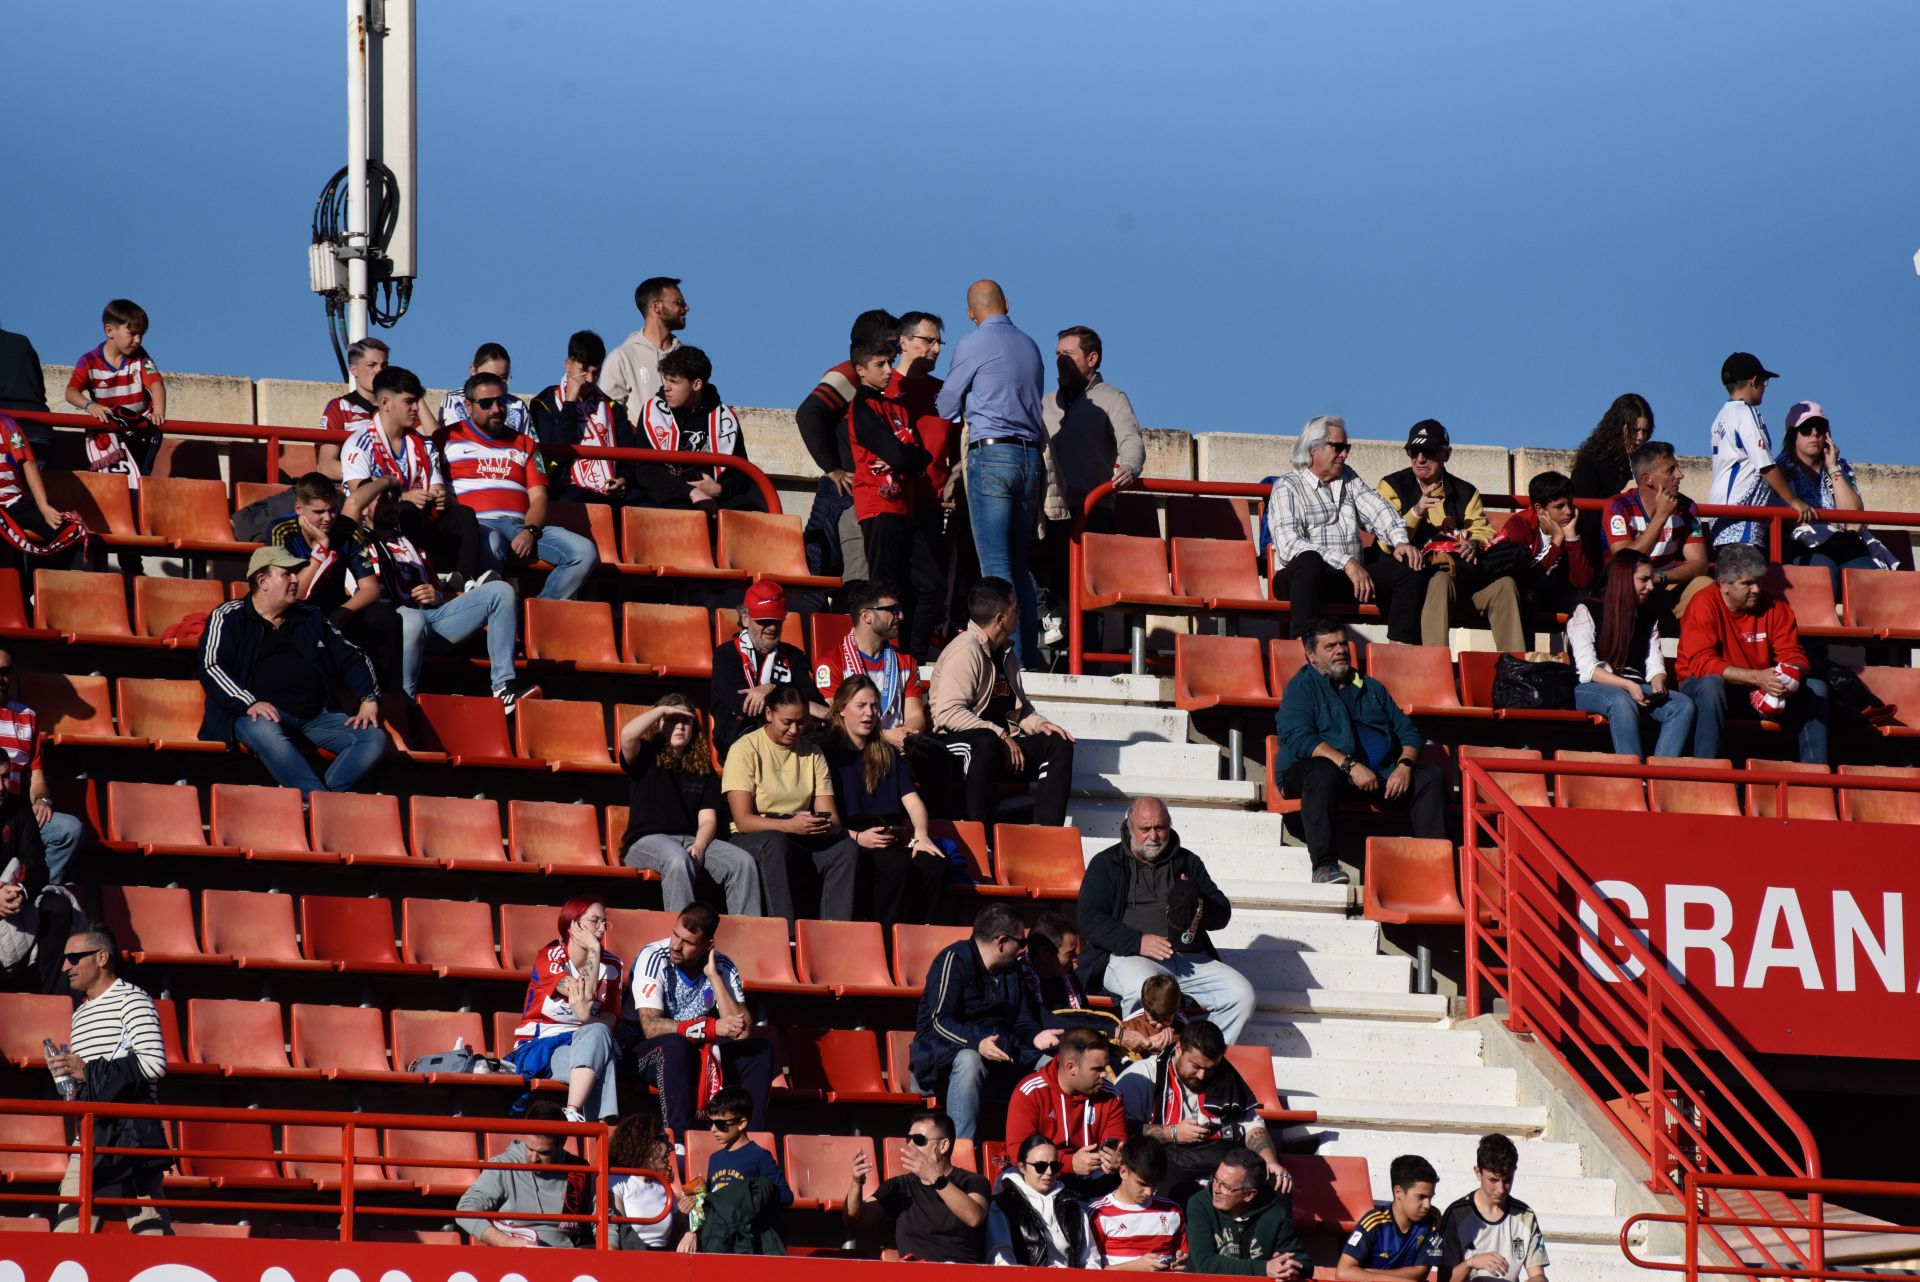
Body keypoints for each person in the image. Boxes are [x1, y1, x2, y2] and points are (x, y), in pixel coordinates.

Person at [198, 546, 384, 797]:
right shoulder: (229, 616)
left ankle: (316, 802)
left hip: (315, 716)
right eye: (287, 574)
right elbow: (212, 666)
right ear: (262, 581)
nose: (296, 579)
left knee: (372, 738)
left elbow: (352, 656)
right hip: (252, 715)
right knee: (264, 729)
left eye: (296, 573)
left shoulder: (311, 616)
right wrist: (248, 703)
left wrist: (368, 698)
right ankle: (318, 802)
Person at [1273, 618, 1448, 885]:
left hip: (1376, 776)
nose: (1341, 650)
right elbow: (1300, 739)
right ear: (1311, 654)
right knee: (1322, 771)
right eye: (1330, 646)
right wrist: (1350, 766)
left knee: (1429, 777)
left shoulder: (1369, 686)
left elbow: (1408, 732)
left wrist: (1404, 766)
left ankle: (1434, 869)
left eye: (1343, 643)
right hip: (1315, 774)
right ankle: (1324, 866)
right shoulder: (1301, 687)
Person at [1076, 796, 1256, 1040]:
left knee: (1241, 995)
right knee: (1146, 989)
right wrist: (1137, 941)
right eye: (1145, 829)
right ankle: (1145, 1067)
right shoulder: (1106, 864)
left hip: (1187, 958)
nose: (1154, 836)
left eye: (1160, 828)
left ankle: (1200, 1063)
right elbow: (1089, 920)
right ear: (1130, 828)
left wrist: (1196, 901)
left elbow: (1221, 915)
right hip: (1128, 956)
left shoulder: (1187, 862)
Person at [344, 482, 537, 710]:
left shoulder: (408, 542)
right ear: (366, 508)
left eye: (395, 499)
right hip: (387, 627)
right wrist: (388, 479)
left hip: (429, 621)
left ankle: (504, 687)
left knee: (501, 591)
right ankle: (405, 704)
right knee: (411, 619)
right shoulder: (355, 539)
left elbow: (436, 595)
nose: (392, 506)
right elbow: (352, 505)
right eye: (382, 500)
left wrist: (436, 596)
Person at [937, 280, 1049, 663]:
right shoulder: (1031, 345)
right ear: (1007, 303)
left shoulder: (974, 343)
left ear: (971, 314)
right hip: (1030, 459)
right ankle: (1029, 657)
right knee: (1019, 567)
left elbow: (946, 404)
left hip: (993, 453)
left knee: (996, 567)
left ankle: (1009, 663)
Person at [48, 924, 170, 1234]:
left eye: (74, 958)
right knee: (67, 1233)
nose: (66, 967)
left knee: (150, 1231)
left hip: (130, 1136)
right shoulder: (80, 1013)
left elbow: (154, 1064)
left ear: (102, 957)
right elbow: (89, 1080)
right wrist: (69, 1079)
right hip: (89, 1135)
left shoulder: (133, 1000)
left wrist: (86, 1069)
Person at [927, 577, 1076, 827]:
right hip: (956, 748)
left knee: (1058, 743)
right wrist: (1000, 735)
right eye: (1015, 608)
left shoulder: (1006, 652)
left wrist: (1040, 724)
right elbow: (947, 713)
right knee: (985, 742)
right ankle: (979, 833)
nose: (1020, 612)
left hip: (999, 748)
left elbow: (1020, 709)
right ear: (1000, 618)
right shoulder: (965, 650)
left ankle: (1048, 835)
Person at [1267, 416, 1426, 644]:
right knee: (1309, 560)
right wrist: (1346, 561)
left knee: (1410, 567)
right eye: (1338, 447)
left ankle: (1399, 654)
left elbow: (1378, 511)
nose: (1345, 454)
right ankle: (1305, 649)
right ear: (1314, 449)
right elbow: (1289, 544)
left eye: (1346, 447)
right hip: (1302, 581)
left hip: (1348, 579)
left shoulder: (1348, 478)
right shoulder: (1287, 486)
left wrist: (1400, 541)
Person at [441, 370, 598, 601]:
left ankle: (540, 611)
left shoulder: (525, 443)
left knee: (584, 552)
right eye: (486, 403)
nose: (496, 409)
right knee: (491, 544)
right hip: (479, 526)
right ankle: (487, 618)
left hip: (521, 525)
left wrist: (530, 530)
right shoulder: (444, 438)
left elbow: (539, 498)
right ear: (468, 405)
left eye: (501, 401)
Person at [623, 904, 777, 1137]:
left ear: (708, 946)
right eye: (675, 935)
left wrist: (714, 977)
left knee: (759, 1050)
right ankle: (679, 1141)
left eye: (688, 942)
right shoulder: (653, 957)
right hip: (642, 1053)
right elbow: (651, 1026)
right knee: (675, 1045)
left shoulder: (722, 966)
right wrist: (711, 1027)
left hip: (698, 1053)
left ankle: (750, 1140)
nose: (676, 946)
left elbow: (742, 1030)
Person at [1376, 420, 1524, 651]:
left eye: (1429, 452)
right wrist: (1416, 512)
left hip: (1466, 579)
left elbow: (1483, 529)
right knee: (1441, 580)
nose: (1420, 459)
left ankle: (1518, 672)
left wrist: (1474, 543)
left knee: (1506, 585)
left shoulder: (1465, 491)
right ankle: (1436, 667)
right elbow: (1384, 540)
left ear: (1447, 454)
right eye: (1414, 452)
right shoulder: (1392, 485)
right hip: (1419, 584)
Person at [1039, 324, 1145, 643]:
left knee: (1086, 597)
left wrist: (1129, 467)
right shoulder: (1044, 402)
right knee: (1045, 590)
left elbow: (1131, 440)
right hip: (1048, 510)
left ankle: (1085, 669)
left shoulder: (1112, 398)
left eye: (1068, 354)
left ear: (1092, 358)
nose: (1060, 360)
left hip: (1091, 509)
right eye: (1057, 354)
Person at [910, 903, 1052, 1141]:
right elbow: (938, 1020)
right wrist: (977, 1043)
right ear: (1002, 942)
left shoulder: (1013, 971)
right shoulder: (954, 960)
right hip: (943, 1060)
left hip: (1002, 1057)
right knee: (970, 1059)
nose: (1023, 950)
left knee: (1052, 1065)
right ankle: (961, 1152)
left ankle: (1045, 1152)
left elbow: (1023, 1020)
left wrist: (1036, 1036)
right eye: (1021, 942)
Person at [1678, 542, 1829, 764]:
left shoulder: (1776, 608)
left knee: (1816, 688)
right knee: (1712, 685)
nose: (1756, 589)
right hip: (1706, 689)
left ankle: (1816, 778)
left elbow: (1795, 656)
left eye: (1759, 581)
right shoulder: (1703, 604)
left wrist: (1789, 676)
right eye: (1747, 583)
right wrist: (1758, 677)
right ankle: (1705, 772)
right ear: (1724, 584)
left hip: (1759, 689)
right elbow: (1703, 664)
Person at [827, 675, 948, 946]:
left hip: (889, 837)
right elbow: (826, 816)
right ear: (841, 708)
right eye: (861, 706)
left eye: (874, 706)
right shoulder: (826, 752)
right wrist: (858, 837)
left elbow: (912, 801)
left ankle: (921, 942)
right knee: (895, 866)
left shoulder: (886, 753)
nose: (869, 713)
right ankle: (884, 945)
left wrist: (922, 835)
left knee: (934, 864)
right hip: (849, 838)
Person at [722, 686, 858, 926]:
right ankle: (785, 934)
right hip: (754, 837)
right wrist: (790, 825)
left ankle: (836, 932)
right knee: (775, 841)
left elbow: (834, 820)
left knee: (844, 849)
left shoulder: (813, 753)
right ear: (768, 714)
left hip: (800, 833)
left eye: (801, 722)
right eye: (787, 722)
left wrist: (818, 823)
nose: (795, 730)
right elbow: (743, 820)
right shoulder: (744, 749)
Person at [847, 331, 944, 659]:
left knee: (931, 585)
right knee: (886, 589)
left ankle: (911, 658)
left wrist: (906, 456)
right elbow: (905, 455)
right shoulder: (862, 407)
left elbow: (920, 456)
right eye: (880, 364)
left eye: (890, 362)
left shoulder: (897, 408)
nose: (889, 369)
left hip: (906, 507)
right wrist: (905, 456)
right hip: (878, 508)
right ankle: (883, 657)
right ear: (861, 370)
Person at [339, 364, 485, 582]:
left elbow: (436, 485)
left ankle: (467, 581)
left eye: (417, 401)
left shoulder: (424, 444)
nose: (416, 408)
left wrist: (440, 497)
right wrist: (405, 497)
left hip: (424, 523)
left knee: (463, 515)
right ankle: (419, 580)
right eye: (409, 401)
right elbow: (360, 497)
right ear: (385, 403)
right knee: (407, 509)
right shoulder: (358, 444)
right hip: (379, 528)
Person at [618, 699, 762, 917]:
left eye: (686, 721)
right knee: (677, 859)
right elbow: (627, 735)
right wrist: (662, 709)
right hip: (646, 841)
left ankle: (747, 938)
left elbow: (707, 820)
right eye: (672, 720)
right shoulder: (645, 754)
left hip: (691, 839)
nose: (680, 726)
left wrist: (701, 846)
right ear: (659, 723)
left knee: (743, 863)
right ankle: (685, 941)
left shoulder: (703, 768)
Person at [1118, 1020, 1289, 1199]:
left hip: (1219, 1159)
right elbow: (1123, 1130)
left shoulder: (1225, 1076)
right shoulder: (1143, 1076)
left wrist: (1269, 1161)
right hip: (1164, 1160)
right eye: (1196, 1066)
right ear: (1179, 1049)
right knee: (1178, 1187)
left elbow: (1253, 1127)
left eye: (1210, 1069)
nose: (1202, 1075)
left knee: (1276, 1183)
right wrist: (1172, 1133)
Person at [798, 309, 899, 582]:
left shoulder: (887, 381)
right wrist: (833, 468)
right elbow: (808, 413)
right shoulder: (848, 375)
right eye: (891, 344)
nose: (896, 351)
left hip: (876, 496)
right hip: (848, 496)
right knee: (853, 580)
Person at [1567, 551, 1695, 759]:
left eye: (1651, 580)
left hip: (1634, 687)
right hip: (1590, 688)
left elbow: (1654, 662)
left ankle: (1660, 776)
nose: (1651, 586)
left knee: (1682, 705)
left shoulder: (1647, 616)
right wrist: (1627, 685)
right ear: (1623, 579)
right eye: (1643, 580)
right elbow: (1587, 669)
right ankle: (1633, 776)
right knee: (1620, 700)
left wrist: (1658, 682)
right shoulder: (1587, 610)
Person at [507, 897, 623, 1124]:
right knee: (603, 1061)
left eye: (604, 922)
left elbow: (609, 1020)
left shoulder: (613, 965)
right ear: (573, 925)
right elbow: (585, 995)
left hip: (589, 1042)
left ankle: (573, 1111)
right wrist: (594, 950)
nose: (601, 928)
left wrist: (587, 1017)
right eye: (594, 921)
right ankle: (603, 1129)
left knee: (598, 1032)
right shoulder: (549, 957)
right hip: (543, 1046)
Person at [1773, 401, 1898, 600]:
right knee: (1824, 571)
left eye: (1820, 428)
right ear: (1792, 435)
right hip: (1802, 546)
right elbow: (1787, 519)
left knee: (1870, 576)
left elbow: (1855, 520)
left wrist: (1833, 469)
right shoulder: (1780, 469)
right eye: (1806, 429)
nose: (1814, 434)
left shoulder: (1840, 467)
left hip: (1844, 544)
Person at [846, 1109, 992, 1264]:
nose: (910, 1145)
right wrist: (856, 1183)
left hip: (959, 1273)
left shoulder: (972, 1181)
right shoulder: (899, 1186)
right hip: (914, 1274)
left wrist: (933, 1176)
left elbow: (974, 1217)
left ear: (943, 1146)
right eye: (908, 1139)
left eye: (918, 1139)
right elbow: (856, 1218)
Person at [1003, 1026, 1128, 1197]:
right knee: (1013, 1184)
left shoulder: (1111, 1096)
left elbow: (1118, 1144)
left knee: (1128, 1181)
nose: (1104, 1075)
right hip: (1042, 1175)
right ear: (1071, 1067)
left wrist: (1114, 1159)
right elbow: (1019, 1151)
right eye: (1097, 1069)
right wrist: (1069, 1163)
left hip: (1092, 1177)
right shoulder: (1031, 1092)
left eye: (1105, 1067)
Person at [632, 345, 759, 512]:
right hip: (669, 500)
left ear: (697, 384)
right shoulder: (653, 413)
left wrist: (719, 489)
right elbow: (645, 471)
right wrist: (691, 492)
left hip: (720, 501)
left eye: (674, 382)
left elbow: (741, 474)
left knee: (754, 513)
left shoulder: (724, 418)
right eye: (666, 379)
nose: (666, 387)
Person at [1708, 351, 1814, 549]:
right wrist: (1793, 500)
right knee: (1747, 576)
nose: (1765, 387)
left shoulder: (1721, 417)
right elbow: (1764, 464)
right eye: (1764, 381)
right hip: (1741, 517)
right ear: (1755, 381)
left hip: (1721, 516)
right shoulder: (1745, 413)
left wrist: (1780, 476)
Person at [457, 1099, 594, 1247]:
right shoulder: (503, 1166)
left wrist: (609, 1248)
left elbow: (604, 1219)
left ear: (561, 1144)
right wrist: (507, 1242)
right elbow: (465, 1210)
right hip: (516, 1258)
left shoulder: (579, 1171)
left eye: (543, 1152)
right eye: (529, 1148)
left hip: (569, 1259)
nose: (533, 1158)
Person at [711, 581, 824, 758]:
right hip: (741, 737)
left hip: (792, 737)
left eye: (777, 620)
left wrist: (771, 689)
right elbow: (744, 705)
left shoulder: (793, 655)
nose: (772, 627)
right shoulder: (726, 655)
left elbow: (814, 701)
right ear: (745, 619)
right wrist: (791, 698)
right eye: (764, 620)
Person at [0, 649, 84, 886]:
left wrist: (42, 801)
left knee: (68, 830)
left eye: (5, 672)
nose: (0, 678)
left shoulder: (27, 716)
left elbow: (37, 775)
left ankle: (33, 894)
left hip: (15, 814)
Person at [815, 579, 930, 750]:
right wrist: (887, 737)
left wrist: (907, 736)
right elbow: (839, 721)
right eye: (893, 610)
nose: (900, 616)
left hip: (901, 748)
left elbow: (915, 715)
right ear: (867, 616)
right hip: (856, 749)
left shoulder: (906, 661)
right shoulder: (831, 663)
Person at [1604, 440, 1710, 625]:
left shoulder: (1687, 506)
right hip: (1625, 589)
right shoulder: (1618, 506)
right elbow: (1624, 561)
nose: (1680, 475)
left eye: (1677, 468)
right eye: (1671, 470)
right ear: (1647, 479)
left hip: (1663, 587)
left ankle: (1698, 653)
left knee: (1706, 588)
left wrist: (1660, 577)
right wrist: (1661, 516)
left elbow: (1699, 563)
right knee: (1628, 585)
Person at [64, 299, 164, 488]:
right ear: (110, 331)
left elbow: (156, 384)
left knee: (138, 478)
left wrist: (158, 412)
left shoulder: (142, 358)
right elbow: (71, 392)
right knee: (110, 480)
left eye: (141, 335)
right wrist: (90, 405)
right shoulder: (89, 361)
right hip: (108, 430)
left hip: (140, 428)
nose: (138, 340)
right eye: (132, 334)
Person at [529, 329, 638, 504]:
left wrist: (623, 480)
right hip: (566, 489)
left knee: (651, 506)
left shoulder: (611, 407)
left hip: (612, 491)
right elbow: (558, 454)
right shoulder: (544, 403)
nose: (589, 379)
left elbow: (630, 457)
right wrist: (570, 402)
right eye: (584, 370)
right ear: (568, 364)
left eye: (596, 373)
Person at [688, 1084, 791, 1256]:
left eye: (721, 1124)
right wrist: (693, 1209)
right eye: (710, 1123)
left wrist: (747, 1200)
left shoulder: (759, 1156)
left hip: (750, 1244)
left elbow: (786, 1196)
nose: (713, 1129)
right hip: (720, 1242)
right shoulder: (715, 1159)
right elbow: (714, 1201)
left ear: (742, 1123)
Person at [1483, 471, 1594, 625]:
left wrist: (1571, 538)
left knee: (1584, 599)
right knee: (1522, 597)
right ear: (1540, 510)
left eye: (1570, 503)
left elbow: (1582, 581)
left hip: (1557, 594)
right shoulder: (1519, 525)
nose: (1568, 512)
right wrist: (1556, 541)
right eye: (1560, 506)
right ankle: (1523, 651)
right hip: (1526, 593)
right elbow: (1524, 576)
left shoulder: (1575, 525)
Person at [1185, 1149, 1312, 1279]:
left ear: (1249, 1195)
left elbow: (1304, 1264)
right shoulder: (1199, 1204)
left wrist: (1288, 1268)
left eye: (1226, 1187)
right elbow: (1205, 1264)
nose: (1216, 1189)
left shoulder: (1275, 1214)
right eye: (1216, 1179)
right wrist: (1264, 1268)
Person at [1438, 1134, 1549, 1282]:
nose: (1501, 1189)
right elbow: (1444, 1279)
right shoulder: (1456, 1214)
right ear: (1478, 1173)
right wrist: (1471, 1262)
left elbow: (1538, 1275)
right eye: (1493, 1180)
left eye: (1507, 1180)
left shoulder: (1525, 1215)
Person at [987, 1135, 1100, 1268]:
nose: (1049, 1172)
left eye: (1054, 1166)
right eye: (1040, 1166)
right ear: (1022, 1167)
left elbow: (1091, 1261)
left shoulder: (1072, 1205)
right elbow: (1001, 1260)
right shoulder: (1003, 1205)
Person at [1568, 393, 1654, 556]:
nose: (1640, 437)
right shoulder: (1590, 463)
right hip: (1601, 552)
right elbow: (1582, 514)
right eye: (1634, 430)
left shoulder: (1645, 464)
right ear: (1617, 427)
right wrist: (1620, 498)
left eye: (1645, 431)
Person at [1087, 1136, 1189, 1270]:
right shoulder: (1098, 1214)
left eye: (1154, 1185)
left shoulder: (1172, 1211)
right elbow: (1089, 1272)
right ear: (1123, 1172)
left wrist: (1184, 1264)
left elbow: (1185, 1260)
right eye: (1142, 1184)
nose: (1149, 1192)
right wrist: (1133, 1269)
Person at [0, 411, 86, 569]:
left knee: (70, 532)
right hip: (13, 505)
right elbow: (29, 463)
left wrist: (44, 507)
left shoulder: (7, 424)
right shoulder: (7, 423)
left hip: (13, 505)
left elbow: (28, 462)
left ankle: (38, 586)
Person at [1338, 1155, 1444, 1281]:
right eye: (1421, 1197)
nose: (1427, 1205)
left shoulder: (1433, 1218)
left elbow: (1419, 1272)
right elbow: (1343, 1272)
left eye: (1430, 1197)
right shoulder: (1374, 1222)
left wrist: (1366, 1273)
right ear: (1398, 1192)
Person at [601, 276, 686, 425]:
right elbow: (606, 415)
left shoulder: (687, 356)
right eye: (679, 303)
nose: (686, 308)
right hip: (640, 446)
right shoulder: (623, 357)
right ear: (655, 306)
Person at [314, 336, 389, 479]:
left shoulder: (401, 406)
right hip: (358, 491)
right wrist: (370, 481)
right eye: (371, 365)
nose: (379, 371)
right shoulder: (339, 407)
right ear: (354, 370)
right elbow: (327, 466)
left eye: (384, 366)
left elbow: (431, 443)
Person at [607, 1108, 677, 1250]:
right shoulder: (617, 1182)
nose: (671, 1148)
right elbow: (621, 1232)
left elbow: (681, 1228)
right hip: (632, 1261)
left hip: (665, 1262)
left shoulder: (663, 1185)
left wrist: (688, 1234)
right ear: (645, 1143)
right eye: (664, 1140)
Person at [439, 341, 533, 436]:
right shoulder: (455, 400)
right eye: (489, 377)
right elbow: (453, 439)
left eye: (503, 378)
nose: (497, 384)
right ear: (473, 371)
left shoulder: (518, 406)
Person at [0, 322, 50, 451]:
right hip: (37, 431)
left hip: (11, 433)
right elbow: (39, 388)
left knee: (20, 458)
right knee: (28, 464)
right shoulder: (21, 342)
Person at [1115, 974, 1185, 1062]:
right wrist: (1147, 1045)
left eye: (1166, 1020)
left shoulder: (1181, 1027)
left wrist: (1175, 1043)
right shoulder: (1129, 1027)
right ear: (1144, 1008)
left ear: (1176, 1010)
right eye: (1154, 1019)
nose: (1159, 1026)